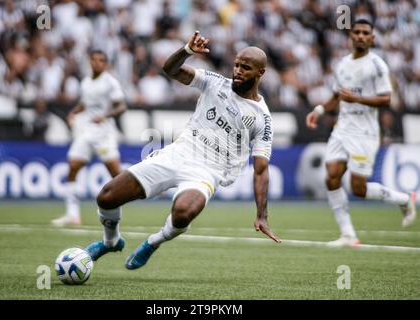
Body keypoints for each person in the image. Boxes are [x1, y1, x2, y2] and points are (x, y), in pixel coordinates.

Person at [84, 31, 281, 270]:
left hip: (209, 171)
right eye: (237, 65)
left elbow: (261, 170)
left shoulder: (262, 118)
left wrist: (262, 215)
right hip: (178, 153)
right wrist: (186, 50)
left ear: (261, 73)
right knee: (107, 196)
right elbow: (171, 70)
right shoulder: (215, 82)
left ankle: (153, 241)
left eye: (246, 67)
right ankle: (110, 241)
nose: (238, 71)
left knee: (183, 212)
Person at [305, 19, 417, 247]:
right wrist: (319, 110)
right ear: (351, 36)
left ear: (372, 38)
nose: (361, 36)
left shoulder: (377, 65)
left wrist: (357, 99)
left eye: (366, 33)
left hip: (364, 133)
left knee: (359, 189)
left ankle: (404, 199)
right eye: (357, 32)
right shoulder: (343, 64)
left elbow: (386, 98)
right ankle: (347, 234)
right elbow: (338, 95)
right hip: (342, 127)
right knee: (332, 176)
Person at [51, 50, 127, 227]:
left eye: (101, 60)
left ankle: (149, 191)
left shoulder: (110, 82)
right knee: (72, 167)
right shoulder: (85, 82)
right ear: (89, 62)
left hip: (104, 134)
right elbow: (84, 104)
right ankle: (72, 214)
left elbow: (122, 106)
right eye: (94, 60)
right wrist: (73, 112)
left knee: (117, 176)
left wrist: (106, 115)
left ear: (106, 64)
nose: (97, 63)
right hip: (87, 131)